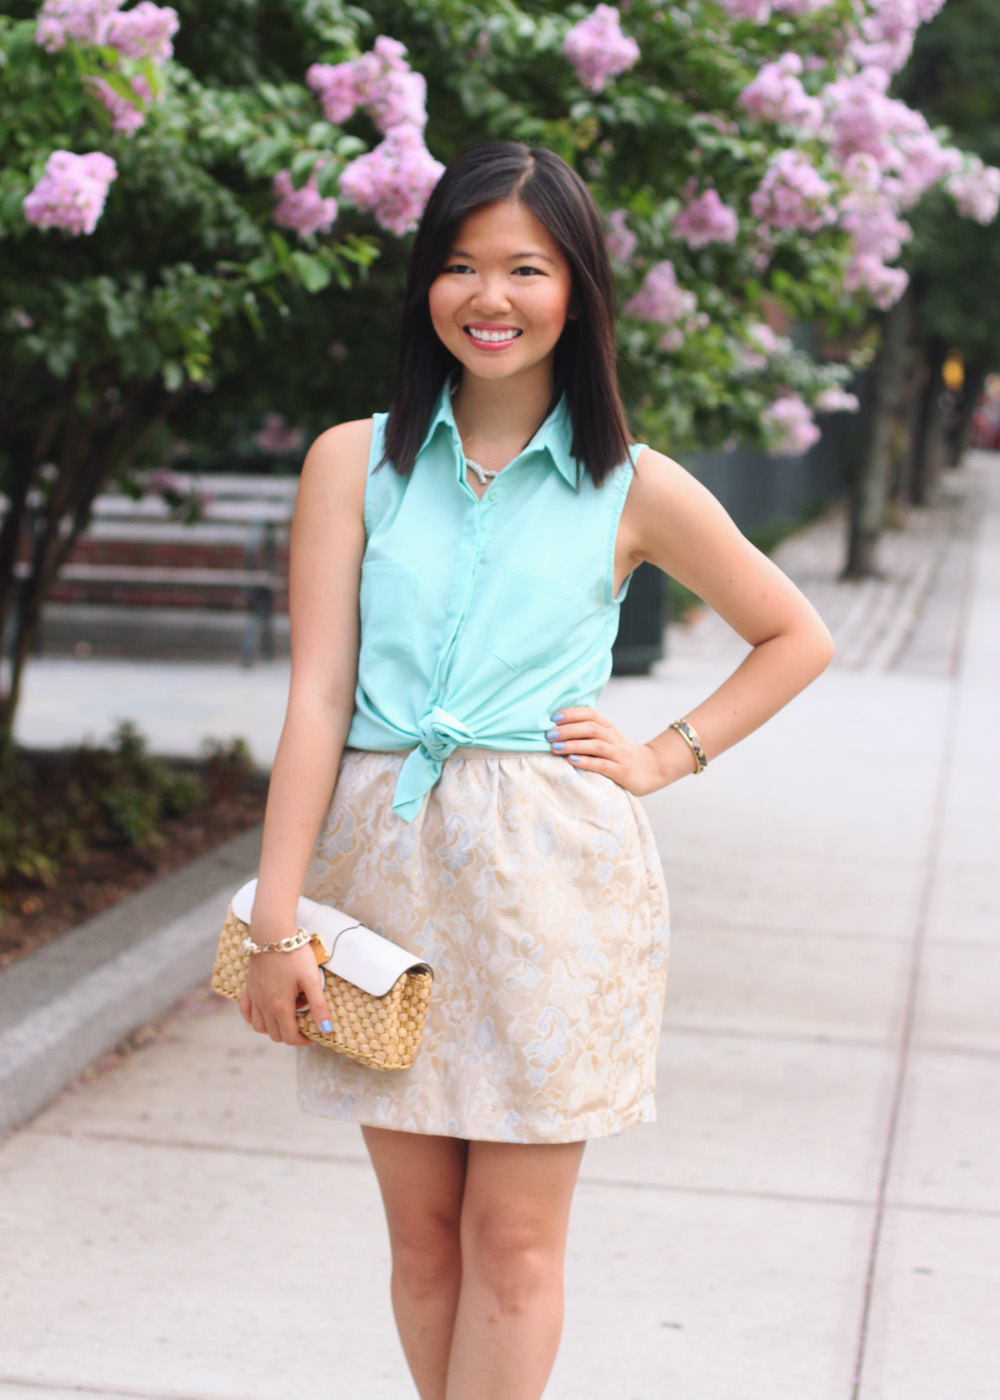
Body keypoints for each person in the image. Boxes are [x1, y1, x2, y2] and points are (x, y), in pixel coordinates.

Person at [239, 141, 834, 1400]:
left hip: (555, 882)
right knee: (420, 1237)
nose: (487, 296)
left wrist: (669, 754)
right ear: (425, 286)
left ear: (577, 289)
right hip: (380, 872)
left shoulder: (635, 483)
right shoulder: (351, 462)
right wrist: (279, 914)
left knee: (512, 1238)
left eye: (523, 267)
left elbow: (796, 634)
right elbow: (316, 697)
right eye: (457, 265)